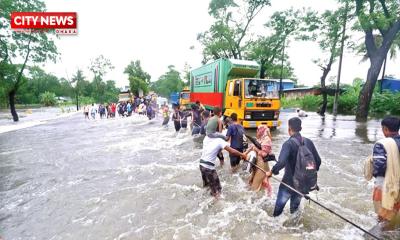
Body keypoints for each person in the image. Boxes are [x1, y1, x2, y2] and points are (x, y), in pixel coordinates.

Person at [265, 117, 321, 217]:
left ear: (289, 128)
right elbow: (318, 161)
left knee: (277, 212)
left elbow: (281, 162)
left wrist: (271, 172)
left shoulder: (288, 144)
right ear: (301, 128)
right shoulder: (308, 142)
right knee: (294, 213)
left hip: (288, 183)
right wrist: (306, 175)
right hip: (301, 185)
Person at [371, 116, 400, 230]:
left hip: (386, 184)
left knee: (383, 214)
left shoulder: (382, 144)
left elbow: (380, 167)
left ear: (385, 129)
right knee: (395, 211)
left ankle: (382, 233)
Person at [199, 134, 247, 199]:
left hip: (201, 165)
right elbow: (232, 151)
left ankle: (204, 198)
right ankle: (218, 204)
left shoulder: (207, 139)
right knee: (218, 189)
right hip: (208, 168)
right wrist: (243, 155)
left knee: (207, 186)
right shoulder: (219, 141)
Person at [246, 125, 273, 193]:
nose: (256, 132)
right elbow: (253, 146)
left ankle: (255, 201)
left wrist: (256, 149)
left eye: (257, 130)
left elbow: (265, 154)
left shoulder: (267, 140)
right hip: (258, 163)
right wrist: (245, 153)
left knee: (255, 187)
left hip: (262, 165)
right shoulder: (261, 138)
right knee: (251, 182)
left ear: (261, 131)